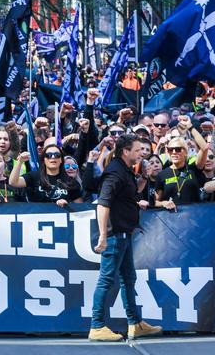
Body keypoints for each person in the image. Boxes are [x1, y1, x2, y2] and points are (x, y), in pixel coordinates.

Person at [88, 134, 163, 342]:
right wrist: (103, 235)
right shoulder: (114, 173)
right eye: (138, 150)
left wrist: (145, 178)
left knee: (128, 279)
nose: (143, 153)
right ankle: (96, 325)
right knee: (106, 280)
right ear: (126, 151)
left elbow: (132, 194)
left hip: (125, 234)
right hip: (115, 236)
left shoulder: (125, 170)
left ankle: (135, 323)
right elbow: (103, 204)